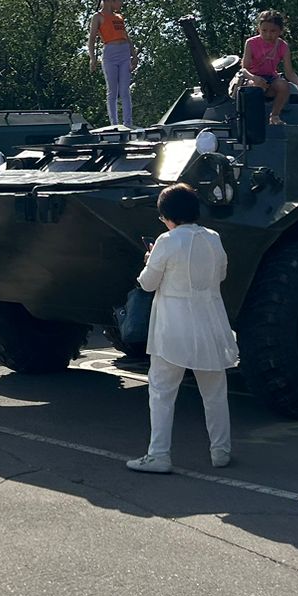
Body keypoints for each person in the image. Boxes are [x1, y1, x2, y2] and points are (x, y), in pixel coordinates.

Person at [126, 184, 239, 473]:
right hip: (211, 321)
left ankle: (159, 455)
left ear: (166, 215)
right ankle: (221, 451)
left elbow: (147, 283)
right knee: (214, 392)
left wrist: (149, 260)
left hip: (173, 326)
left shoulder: (166, 241)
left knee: (162, 391)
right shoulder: (214, 239)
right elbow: (222, 274)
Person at [233, 9, 298, 125]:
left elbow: (289, 73)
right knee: (256, 87)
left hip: (271, 79)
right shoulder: (251, 43)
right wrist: (254, 78)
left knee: (284, 85)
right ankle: (253, 119)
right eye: (264, 30)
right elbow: (244, 69)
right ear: (258, 29)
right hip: (252, 79)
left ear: (280, 31)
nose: (268, 35)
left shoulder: (283, 46)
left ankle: (274, 116)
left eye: (273, 31)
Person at [87, 0, 136, 127]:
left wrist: (134, 55)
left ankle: (128, 123)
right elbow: (91, 40)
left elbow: (126, 37)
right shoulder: (98, 17)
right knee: (112, 90)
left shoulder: (119, 17)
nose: (121, 3)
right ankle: (114, 123)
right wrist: (93, 58)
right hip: (110, 52)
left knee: (125, 89)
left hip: (124, 52)